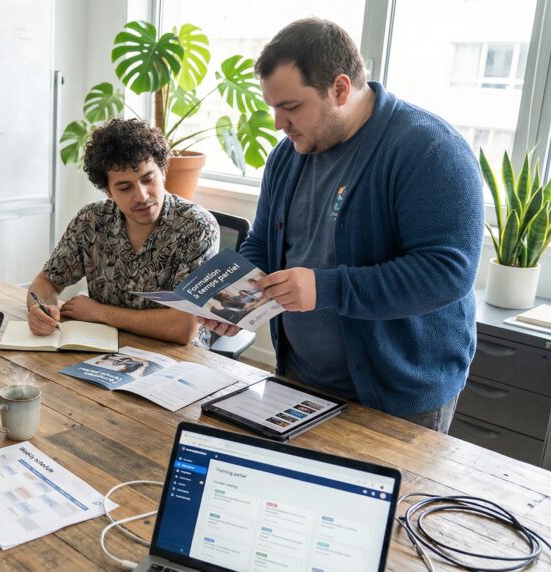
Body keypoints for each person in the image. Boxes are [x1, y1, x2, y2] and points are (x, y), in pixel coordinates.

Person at [202, 18, 482, 433]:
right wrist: (238, 301)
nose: (278, 122)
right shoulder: (288, 154)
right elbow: (263, 242)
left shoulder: (430, 150)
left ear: (340, 89)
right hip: (299, 377)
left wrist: (327, 288)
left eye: (291, 107)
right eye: (273, 107)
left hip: (398, 394)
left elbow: (447, 273)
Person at [27, 118, 219, 346]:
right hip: (102, 348)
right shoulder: (92, 221)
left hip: (177, 358)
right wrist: (40, 309)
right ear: (108, 191)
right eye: (125, 188)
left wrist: (99, 312)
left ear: (163, 172)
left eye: (148, 179)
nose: (142, 196)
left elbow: (183, 327)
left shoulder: (198, 227)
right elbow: (47, 282)